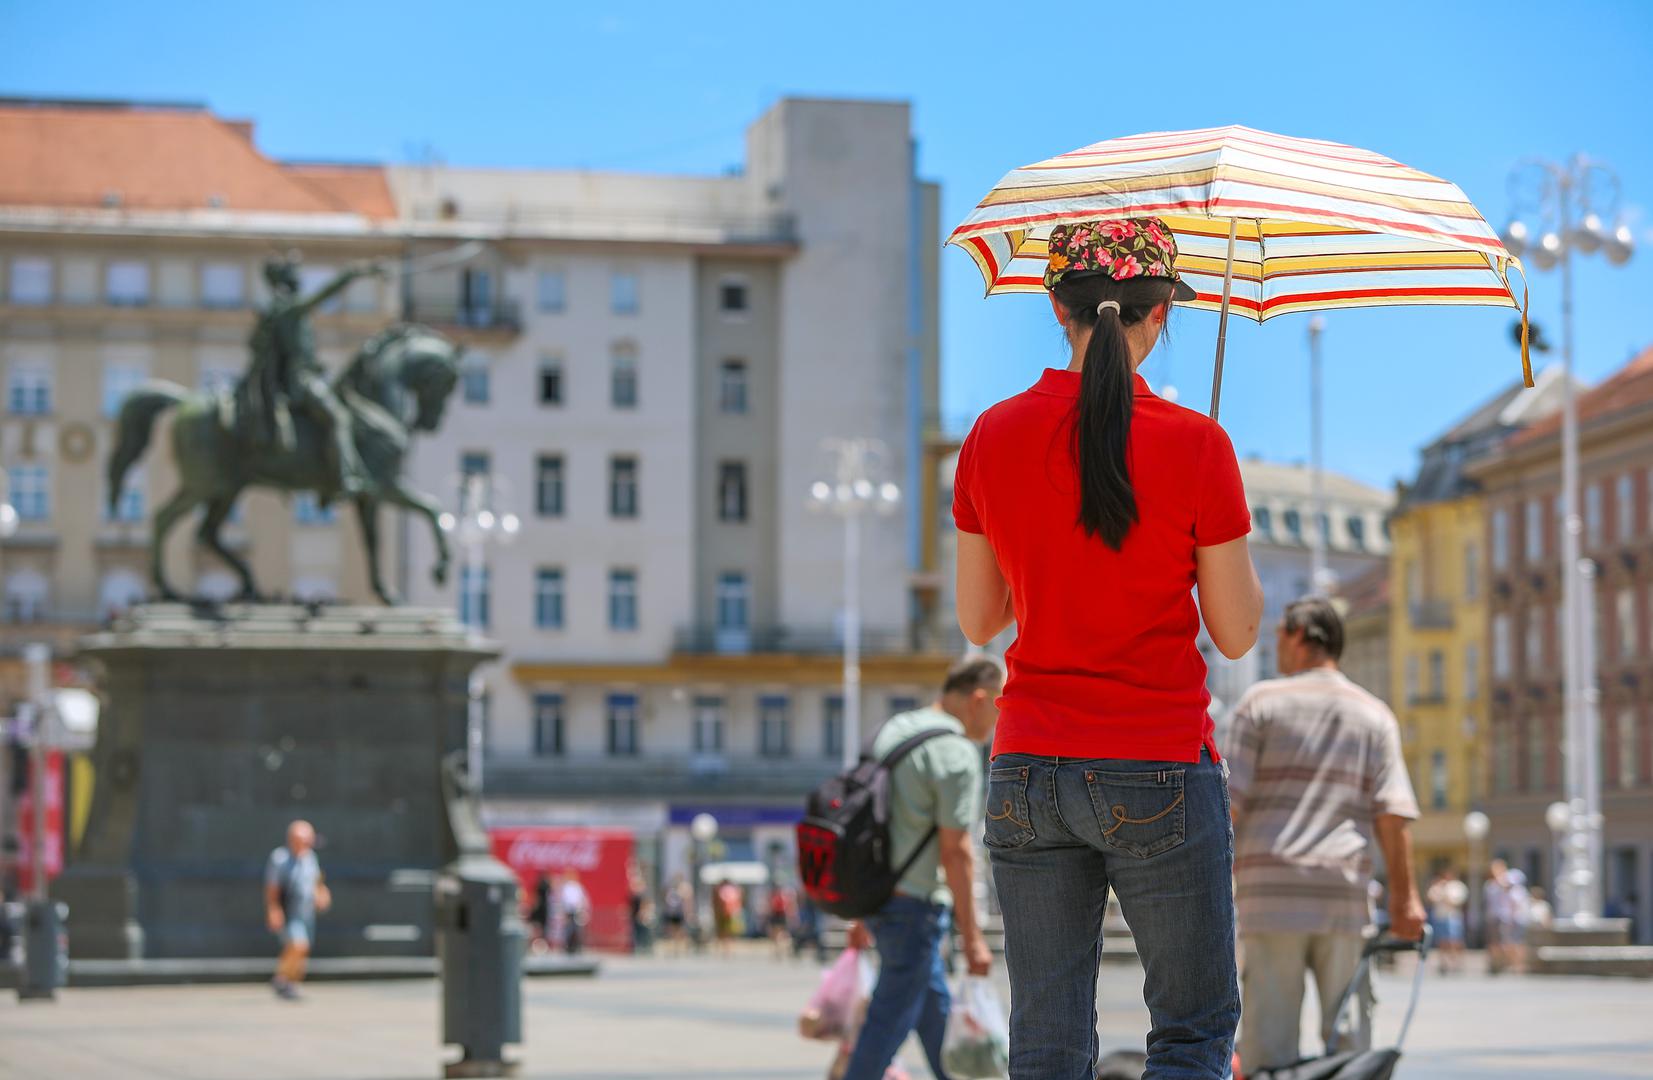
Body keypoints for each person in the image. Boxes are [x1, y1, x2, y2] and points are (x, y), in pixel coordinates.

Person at [953, 217, 1262, 1079]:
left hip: (1027, 767)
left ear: (1057, 308)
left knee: (1047, 1042)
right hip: (1156, 761)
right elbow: (1236, 632)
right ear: (1160, 315)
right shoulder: (1198, 445)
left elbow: (980, 621)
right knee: (1192, 1033)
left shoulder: (988, 436)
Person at [1226, 598, 1426, 1074]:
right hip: (1343, 893)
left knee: (1268, 1044)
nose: (1275, 647)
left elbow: (1226, 806)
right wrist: (1405, 900)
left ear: (1299, 636)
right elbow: (1392, 815)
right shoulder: (1374, 714)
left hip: (1269, 895)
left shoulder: (1261, 704)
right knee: (1350, 1044)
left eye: (1277, 636)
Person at [841, 656, 1004, 1080]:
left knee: (937, 1019)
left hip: (880, 896)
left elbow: (868, 824)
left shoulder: (894, 729)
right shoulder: (955, 753)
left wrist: (861, 909)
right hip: (915, 907)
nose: (1000, 720)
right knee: (884, 1027)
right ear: (978, 699)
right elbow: (956, 853)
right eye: (1000, 708)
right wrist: (973, 940)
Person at [240, 254, 381, 502]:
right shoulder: (288, 308)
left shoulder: (276, 309)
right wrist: (353, 274)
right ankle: (346, 476)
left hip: (304, 377)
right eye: (294, 276)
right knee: (339, 417)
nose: (299, 280)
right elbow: (323, 296)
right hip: (301, 381)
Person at [264, 820, 331, 1001]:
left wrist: (322, 894)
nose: (308, 842)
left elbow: (316, 882)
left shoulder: (310, 858)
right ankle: (281, 978)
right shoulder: (280, 858)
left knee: (303, 949)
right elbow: (272, 888)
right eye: (304, 839)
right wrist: (273, 909)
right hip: (290, 910)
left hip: (306, 911)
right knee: (297, 945)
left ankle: (289, 983)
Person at [1484, 860, 1531, 975]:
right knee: (1496, 943)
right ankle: (1497, 964)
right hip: (1496, 917)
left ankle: (1517, 965)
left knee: (1514, 942)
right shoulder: (1490, 886)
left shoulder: (1515, 886)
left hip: (1511, 918)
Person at [1426, 868, 1470, 974]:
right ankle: (1444, 963)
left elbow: (1457, 901)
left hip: (1453, 917)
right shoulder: (1438, 886)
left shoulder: (1456, 886)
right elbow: (1430, 898)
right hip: (1440, 917)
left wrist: (1445, 896)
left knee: (1455, 941)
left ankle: (1457, 962)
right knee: (1442, 941)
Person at [559, 870, 591, 955]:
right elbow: (564, 900)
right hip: (569, 912)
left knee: (577, 930)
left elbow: (582, 899)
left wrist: (583, 910)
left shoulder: (577, 887)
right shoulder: (566, 887)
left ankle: (577, 946)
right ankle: (568, 946)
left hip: (577, 911)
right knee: (568, 930)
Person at [659, 874, 691, 954]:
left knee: (679, 930)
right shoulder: (670, 891)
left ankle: (681, 947)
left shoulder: (681, 890)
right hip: (671, 913)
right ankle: (673, 947)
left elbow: (685, 902)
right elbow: (666, 901)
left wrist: (687, 912)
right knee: (671, 930)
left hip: (678, 913)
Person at [527, 873, 554, 953]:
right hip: (543, 910)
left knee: (539, 928)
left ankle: (539, 945)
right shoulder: (545, 888)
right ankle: (538, 944)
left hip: (541, 910)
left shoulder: (540, 888)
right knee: (539, 928)